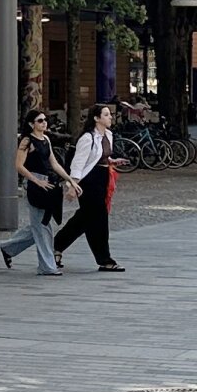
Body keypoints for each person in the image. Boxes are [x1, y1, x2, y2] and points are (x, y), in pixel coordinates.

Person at [50, 105, 122, 272]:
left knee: (84, 218)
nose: (110, 117)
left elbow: (100, 157)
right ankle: (104, 259)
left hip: (103, 178)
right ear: (96, 118)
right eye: (106, 114)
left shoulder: (108, 135)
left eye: (109, 114)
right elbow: (78, 163)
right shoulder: (87, 138)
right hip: (89, 181)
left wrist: (112, 161)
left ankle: (56, 246)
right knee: (98, 219)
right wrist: (73, 185)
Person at [0, 111, 68, 274]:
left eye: (45, 120)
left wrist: (70, 179)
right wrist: (36, 181)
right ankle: (47, 266)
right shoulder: (27, 141)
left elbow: (54, 163)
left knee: (39, 225)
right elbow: (19, 165)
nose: (44, 123)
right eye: (40, 120)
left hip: (47, 182)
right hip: (35, 183)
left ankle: (8, 248)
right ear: (31, 124)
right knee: (42, 227)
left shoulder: (46, 139)